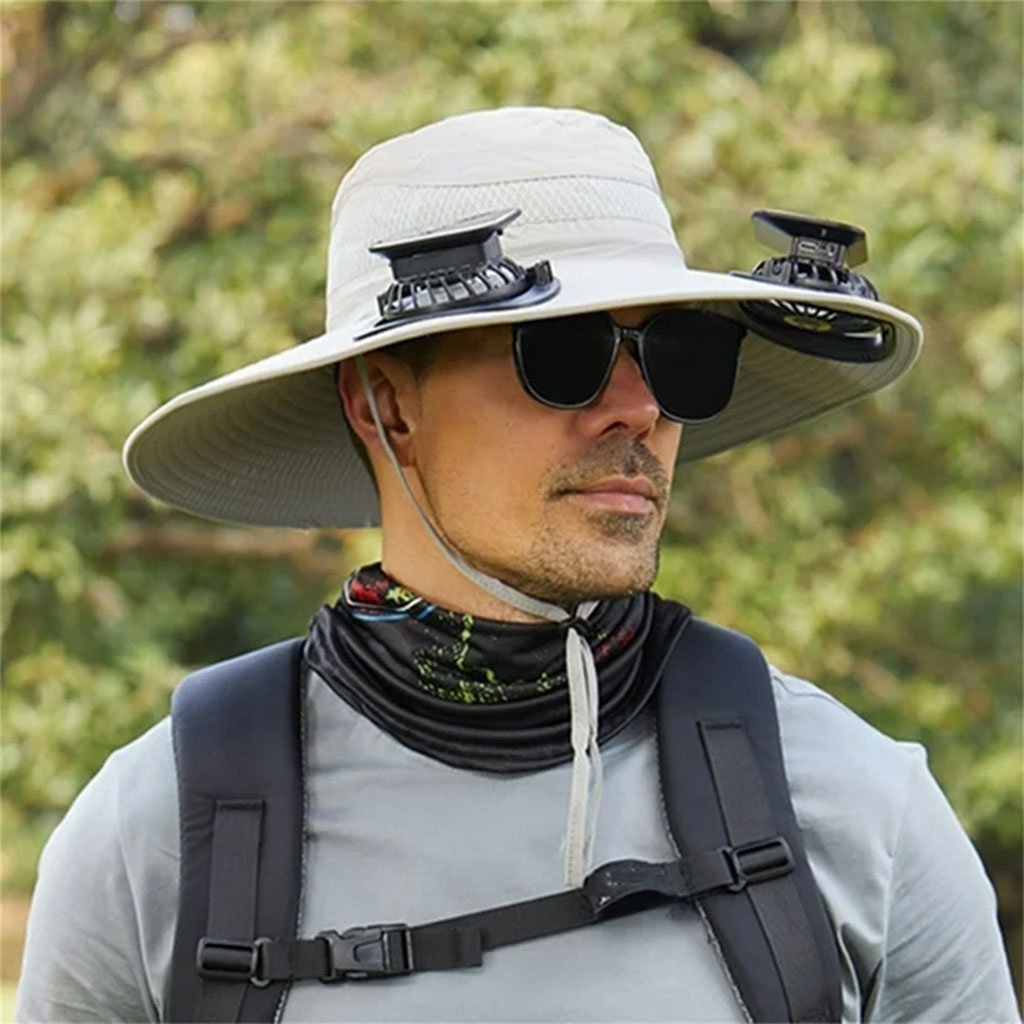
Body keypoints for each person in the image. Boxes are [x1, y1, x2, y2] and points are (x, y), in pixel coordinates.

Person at [16, 107, 1018, 1024]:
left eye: (679, 355)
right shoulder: (157, 836)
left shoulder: (855, 805)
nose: (640, 409)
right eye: (564, 351)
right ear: (385, 405)